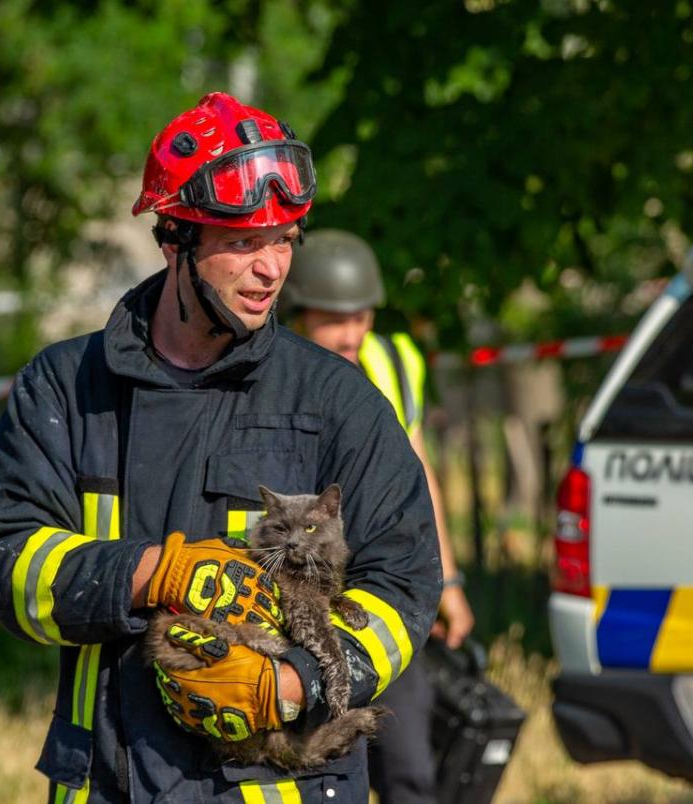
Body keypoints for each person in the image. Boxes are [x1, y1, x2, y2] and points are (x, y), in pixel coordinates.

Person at [0, 93, 441, 803]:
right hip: (107, 780)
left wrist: (292, 683)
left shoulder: (337, 401)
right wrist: (150, 573)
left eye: (284, 240)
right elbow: (4, 559)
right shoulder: (66, 386)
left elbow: (405, 585)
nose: (272, 269)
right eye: (244, 243)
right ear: (174, 240)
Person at [282, 228, 475, 804]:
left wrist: (448, 581)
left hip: (381, 592)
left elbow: (421, 476)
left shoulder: (392, 360)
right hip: (301, 598)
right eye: (333, 320)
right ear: (295, 316)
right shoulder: (273, 376)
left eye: (362, 317)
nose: (351, 334)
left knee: (409, 769)